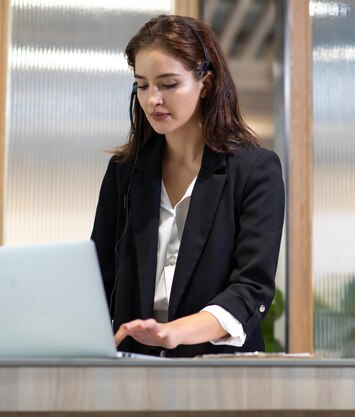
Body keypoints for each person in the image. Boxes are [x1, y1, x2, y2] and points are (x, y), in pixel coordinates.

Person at [91, 15, 285, 358]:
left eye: (168, 84)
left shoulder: (255, 170)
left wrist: (173, 333)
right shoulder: (124, 172)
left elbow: (250, 289)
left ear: (205, 84)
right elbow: (98, 276)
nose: (152, 99)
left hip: (217, 372)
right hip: (133, 368)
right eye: (142, 85)